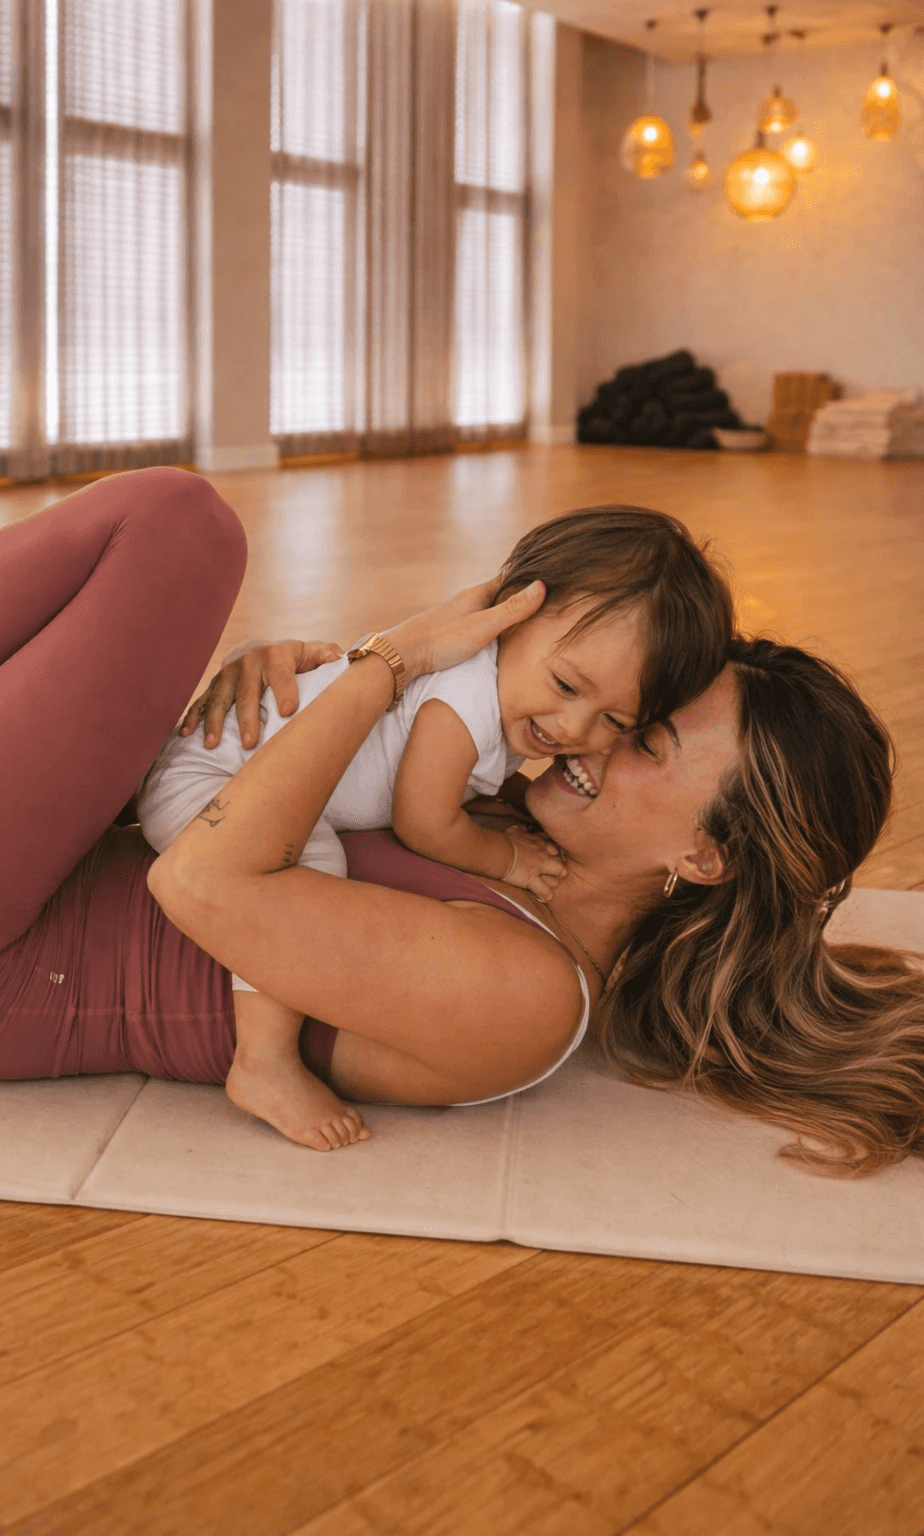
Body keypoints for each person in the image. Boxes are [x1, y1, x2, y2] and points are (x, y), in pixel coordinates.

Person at [2, 471, 922, 1177]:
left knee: (174, 528)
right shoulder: (497, 825)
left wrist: (388, 662)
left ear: (706, 854)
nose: (583, 743)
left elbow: (199, 880)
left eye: (639, 738)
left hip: (16, 957)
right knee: (168, 534)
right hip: (51, 850)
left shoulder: (528, 997)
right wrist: (273, 683)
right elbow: (271, 787)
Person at [136, 507, 734, 1149]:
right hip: (206, 779)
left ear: (704, 855)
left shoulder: (506, 719)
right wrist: (505, 858)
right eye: (564, 685)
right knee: (314, 858)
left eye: (622, 726)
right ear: (509, 614)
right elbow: (426, 822)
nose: (575, 733)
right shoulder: (469, 703)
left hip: (183, 820)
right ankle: (263, 1057)